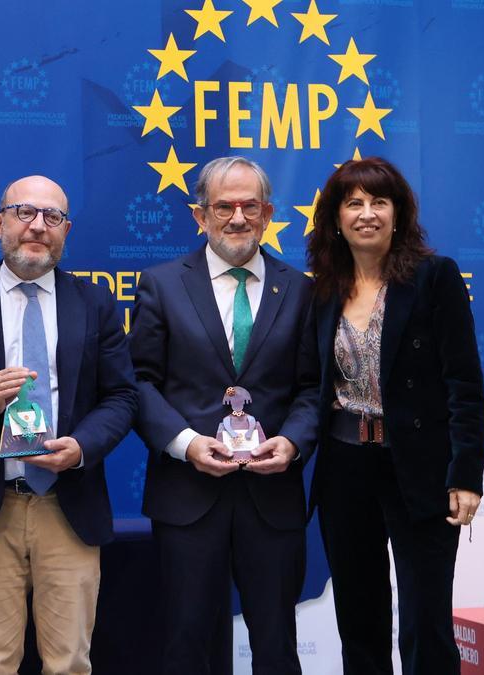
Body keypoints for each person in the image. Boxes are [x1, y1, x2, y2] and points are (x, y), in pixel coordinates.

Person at [0, 175, 138, 675]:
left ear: (65, 232)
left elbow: (123, 395)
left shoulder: (95, 303)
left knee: (70, 664)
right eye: (24, 213)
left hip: (68, 504)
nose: (38, 226)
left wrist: (81, 445)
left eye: (53, 217)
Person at [129, 156, 319, 674]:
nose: (237, 218)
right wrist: (186, 442)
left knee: (277, 645)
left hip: (272, 499)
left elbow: (312, 388)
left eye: (249, 206)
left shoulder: (301, 290)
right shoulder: (162, 284)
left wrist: (293, 442)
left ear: (268, 213)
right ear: (199, 215)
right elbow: (138, 383)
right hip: (187, 497)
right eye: (223, 207)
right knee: (187, 644)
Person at [306, 157, 484, 674]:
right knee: (358, 620)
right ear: (336, 218)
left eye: (379, 202)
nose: (367, 214)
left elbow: (466, 385)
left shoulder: (435, 278)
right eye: (354, 203)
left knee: (426, 623)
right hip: (344, 469)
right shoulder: (320, 290)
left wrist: (466, 475)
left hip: (420, 468)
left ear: (399, 212)